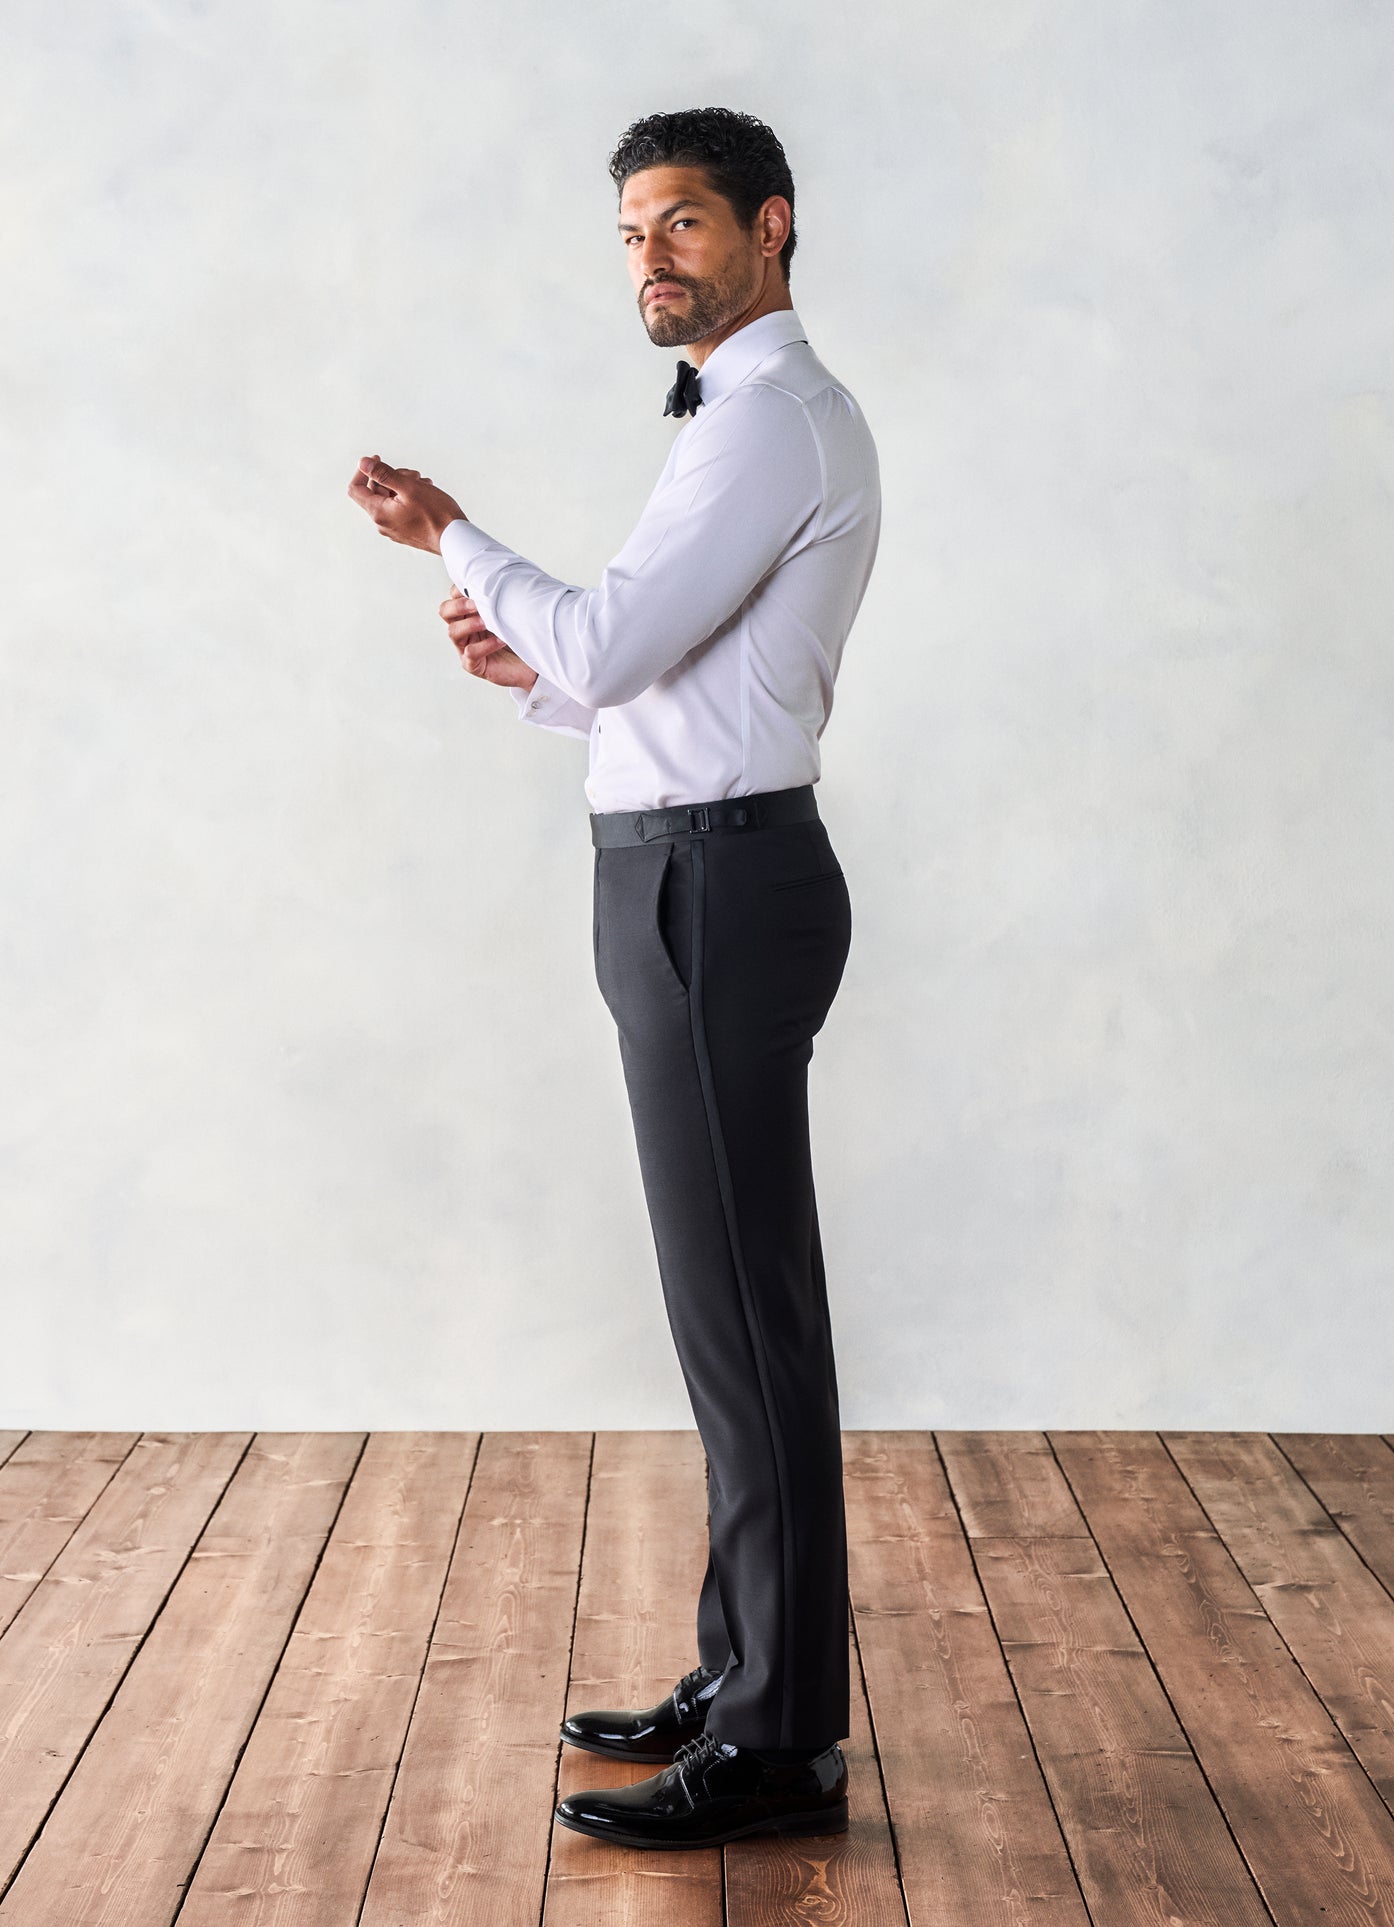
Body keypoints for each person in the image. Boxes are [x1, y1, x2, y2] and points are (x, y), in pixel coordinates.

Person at [346, 105, 881, 1852]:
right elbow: (649, 678)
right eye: (632, 232)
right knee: (724, 1317)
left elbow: (621, 641)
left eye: (683, 225)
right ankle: (747, 1679)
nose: (649, 255)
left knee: (748, 1323)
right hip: (684, 875)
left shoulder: (768, 423)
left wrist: (457, 540)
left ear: (771, 229)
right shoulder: (738, 421)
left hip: (717, 893)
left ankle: (784, 1743)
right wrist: (541, 663)